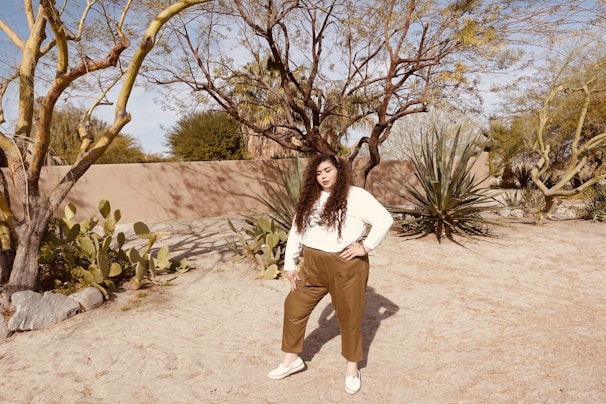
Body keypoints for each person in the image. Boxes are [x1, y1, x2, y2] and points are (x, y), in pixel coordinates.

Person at [267, 154, 393, 395]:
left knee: (349, 317)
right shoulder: (311, 198)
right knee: (294, 306)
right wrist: (290, 264)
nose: (323, 176)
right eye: (318, 173)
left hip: (346, 266)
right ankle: (292, 360)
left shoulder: (355, 195)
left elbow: (384, 219)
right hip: (313, 265)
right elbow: (296, 230)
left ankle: (352, 369)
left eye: (327, 170)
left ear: (338, 170)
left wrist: (365, 246)